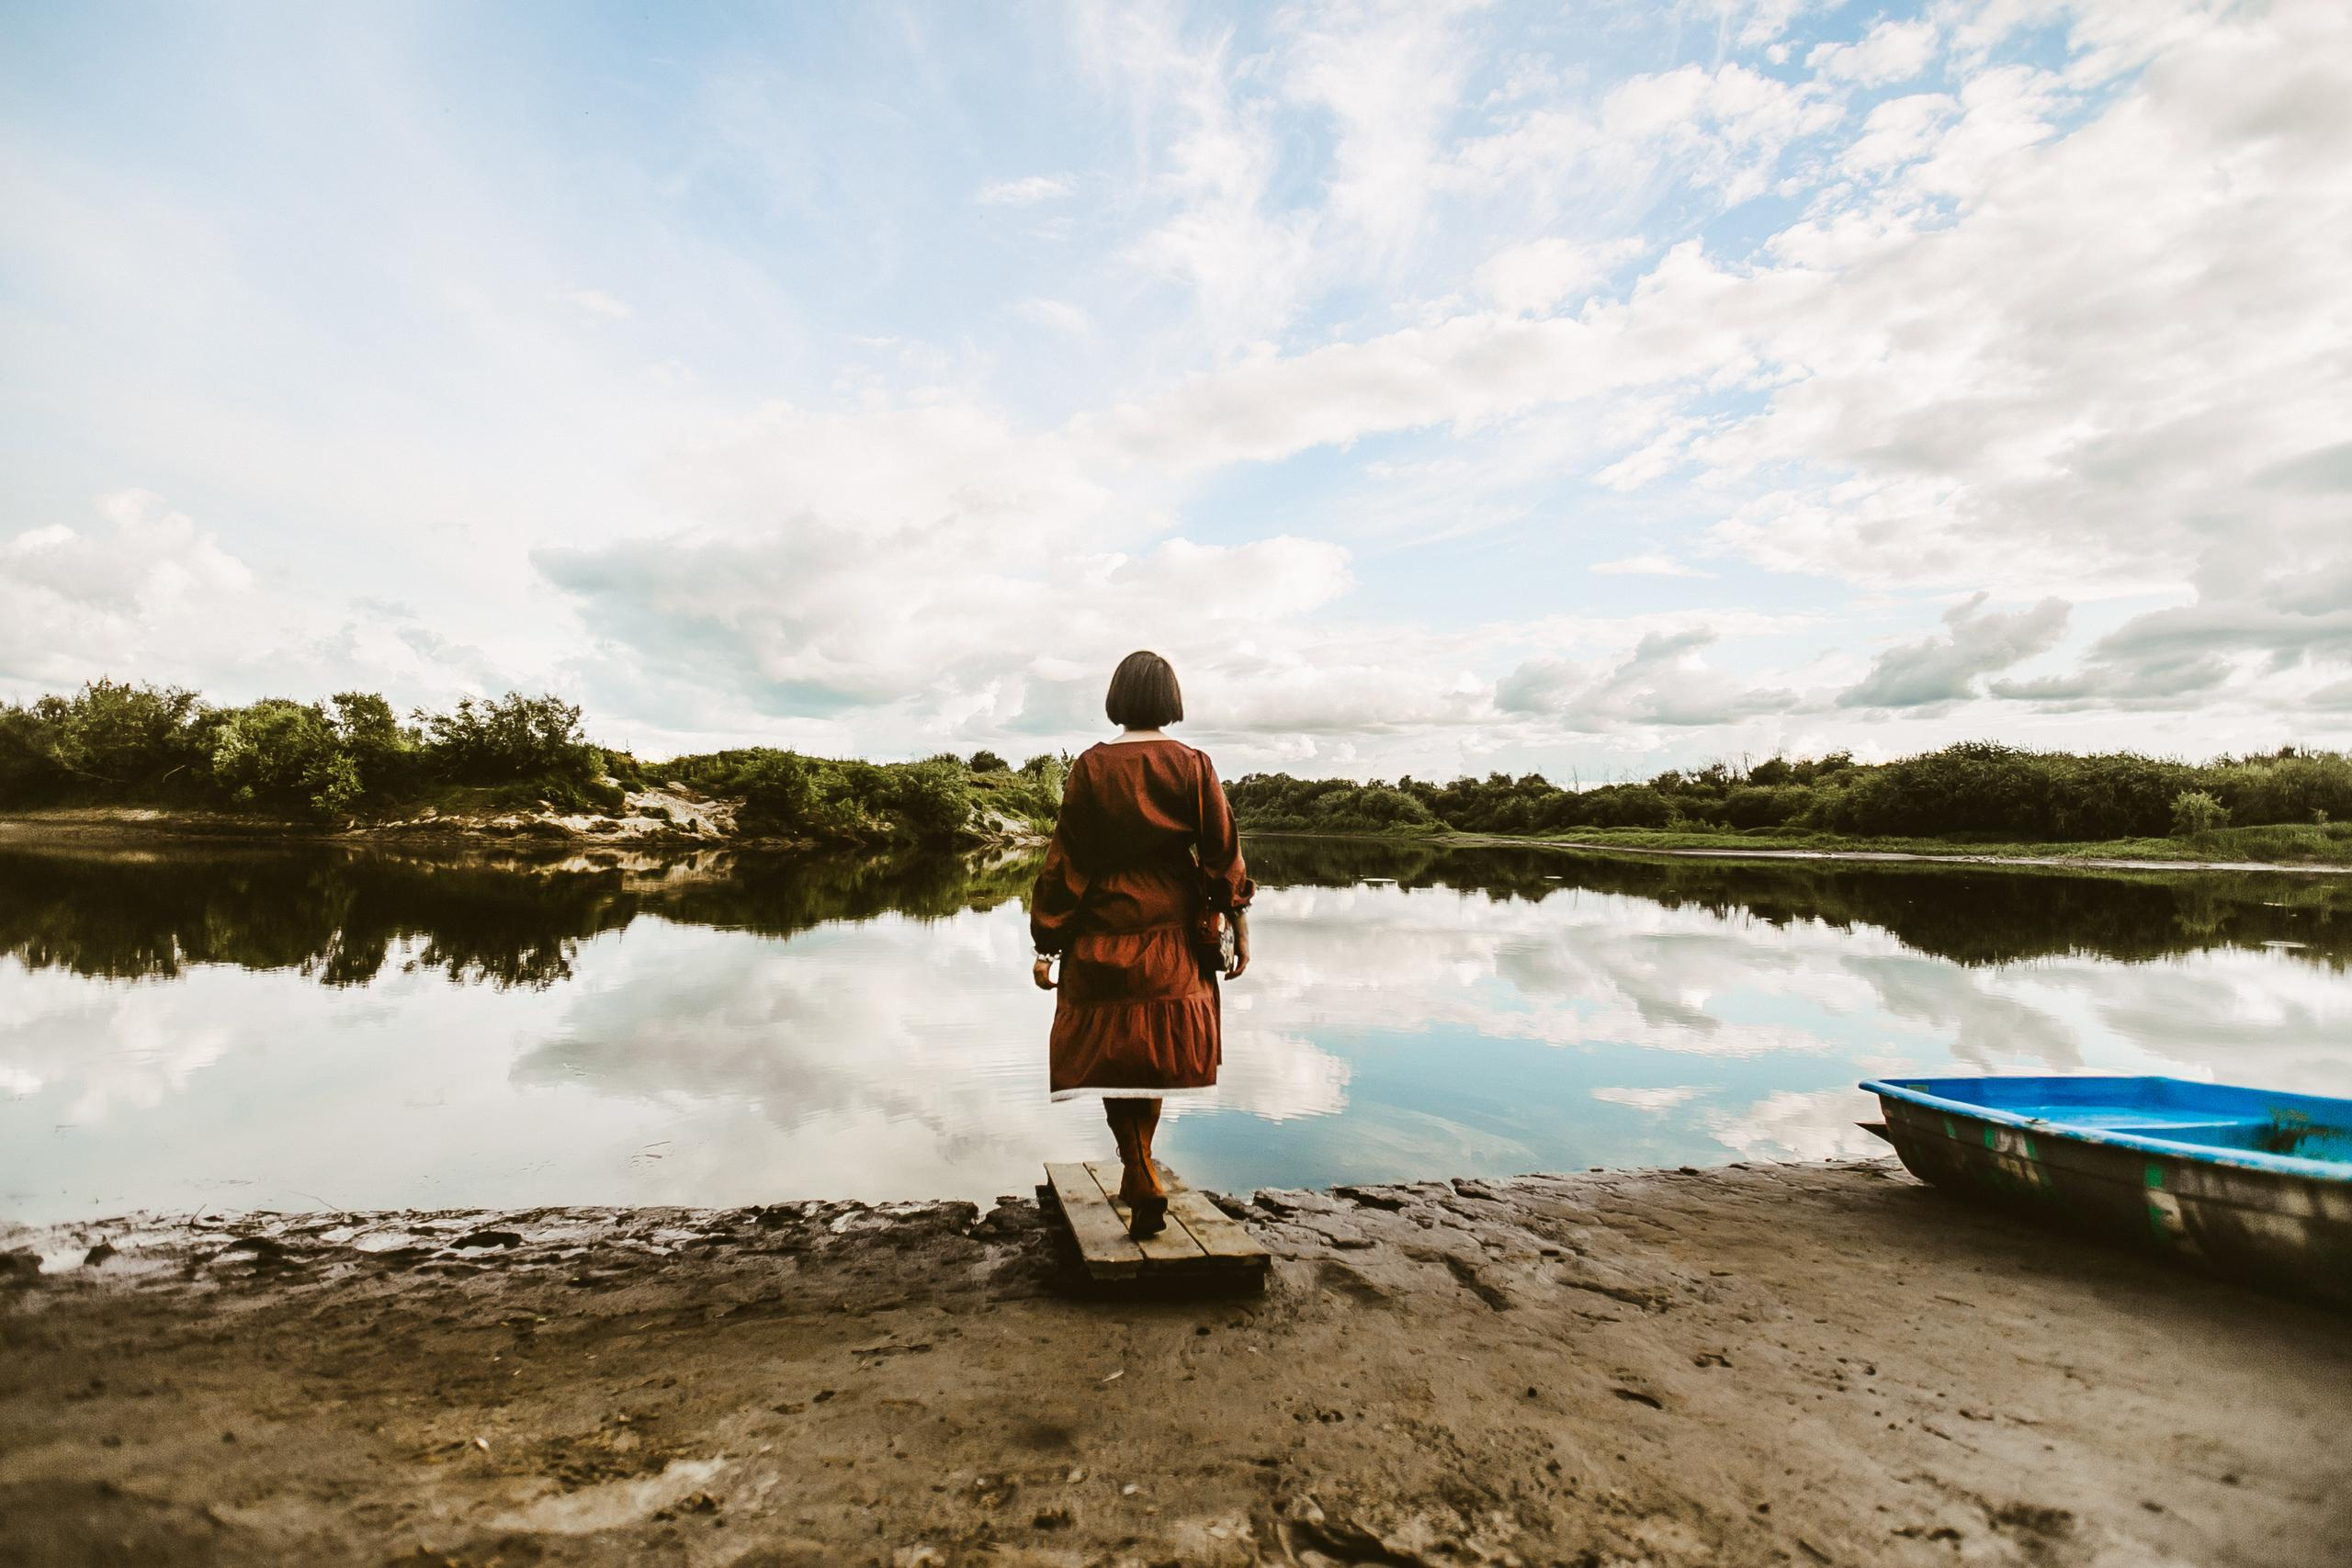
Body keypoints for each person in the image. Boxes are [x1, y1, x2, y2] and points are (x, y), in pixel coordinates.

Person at [1029, 650, 1253, 1238]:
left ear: (1117, 698)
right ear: (1172, 699)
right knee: (1152, 1052)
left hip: (1102, 921)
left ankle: (1137, 1165)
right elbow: (1221, 852)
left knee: (1116, 1051)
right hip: (1172, 927)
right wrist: (1237, 922)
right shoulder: (1193, 764)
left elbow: (1067, 860)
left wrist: (1047, 941)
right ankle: (1142, 1167)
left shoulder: (1091, 767)